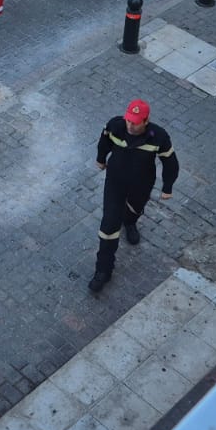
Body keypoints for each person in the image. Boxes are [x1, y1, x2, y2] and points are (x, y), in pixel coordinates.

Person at [89, 98, 179, 294]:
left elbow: (170, 162)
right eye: (128, 120)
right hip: (115, 182)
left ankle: (130, 222)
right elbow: (104, 140)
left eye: (135, 122)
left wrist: (168, 187)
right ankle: (103, 271)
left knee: (134, 210)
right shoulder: (115, 126)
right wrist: (100, 159)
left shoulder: (159, 137)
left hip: (141, 184)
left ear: (145, 121)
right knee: (108, 226)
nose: (130, 125)